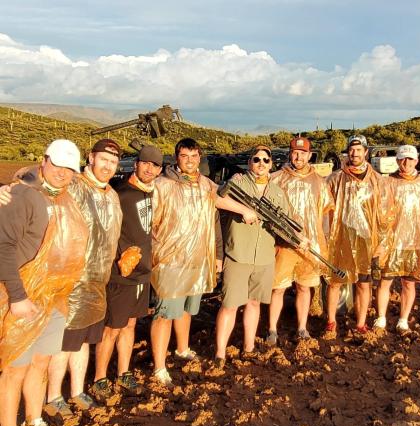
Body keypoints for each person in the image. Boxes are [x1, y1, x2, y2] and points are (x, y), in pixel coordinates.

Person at [0, 140, 88, 426]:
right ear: (44, 161)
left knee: (41, 363)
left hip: (54, 297)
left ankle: (34, 420)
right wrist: (18, 297)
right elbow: (4, 248)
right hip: (23, 297)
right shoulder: (22, 194)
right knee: (15, 368)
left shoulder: (65, 197)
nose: (63, 173)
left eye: (70, 168)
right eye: (58, 165)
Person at [150, 138, 257, 386]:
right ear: (176, 158)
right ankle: (158, 366)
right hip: (170, 261)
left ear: (200, 158)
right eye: (184, 156)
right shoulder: (162, 185)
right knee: (165, 314)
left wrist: (244, 209)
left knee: (187, 309)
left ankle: (182, 349)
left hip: (197, 259)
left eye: (194, 156)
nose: (189, 160)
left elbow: (220, 201)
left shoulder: (205, 184)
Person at [44, 139, 122, 418]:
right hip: (72, 282)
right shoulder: (74, 184)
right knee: (65, 343)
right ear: (90, 158)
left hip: (97, 281)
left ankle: (77, 392)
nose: (108, 166)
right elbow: (38, 177)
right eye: (103, 159)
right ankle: (54, 396)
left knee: (86, 341)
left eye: (113, 162)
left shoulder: (111, 195)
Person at [90, 145, 163, 403]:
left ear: (160, 170)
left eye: (155, 165)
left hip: (142, 272)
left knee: (131, 324)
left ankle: (123, 373)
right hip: (121, 272)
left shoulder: (151, 193)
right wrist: (120, 253)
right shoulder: (120, 192)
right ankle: (99, 378)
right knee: (112, 327)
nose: (149, 169)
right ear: (136, 164)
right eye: (145, 163)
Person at [215, 145, 290, 364]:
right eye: (256, 159)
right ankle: (220, 353)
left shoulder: (277, 192)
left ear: (271, 164)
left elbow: (284, 222)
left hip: (264, 256)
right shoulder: (237, 182)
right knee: (229, 304)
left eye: (265, 160)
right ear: (249, 162)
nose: (261, 164)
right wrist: (243, 210)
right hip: (238, 254)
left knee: (254, 303)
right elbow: (217, 199)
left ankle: (248, 347)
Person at [267, 137, 334, 344]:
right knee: (278, 288)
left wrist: (323, 241)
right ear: (290, 153)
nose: (298, 157)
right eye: (295, 152)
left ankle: (302, 327)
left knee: (304, 287)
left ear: (309, 155)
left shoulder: (320, 182)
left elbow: (325, 214)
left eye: (303, 153)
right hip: (283, 244)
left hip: (309, 245)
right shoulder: (276, 178)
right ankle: (272, 329)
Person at [325, 134, 389, 338]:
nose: (354, 153)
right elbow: (325, 208)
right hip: (340, 239)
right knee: (335, 282)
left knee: (364, 283)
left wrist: (382, 241)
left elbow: (385, 213)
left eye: (359, 150)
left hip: (366, 242)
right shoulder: (336, 178)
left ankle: (361, 323)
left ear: (366, 152)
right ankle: (331, 322)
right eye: (351, 150)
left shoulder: (377, 180)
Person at [374, 145, 420, 333]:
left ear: (416, 161)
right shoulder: (388, 182)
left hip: (414, 242)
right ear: (397, 160)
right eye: (402, 159)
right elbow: (381, 213)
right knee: (385, 281)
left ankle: (403, 320)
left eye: (410, 159)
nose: (406, 163)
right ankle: (381, 317)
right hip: (391, 243)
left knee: (409, 283)